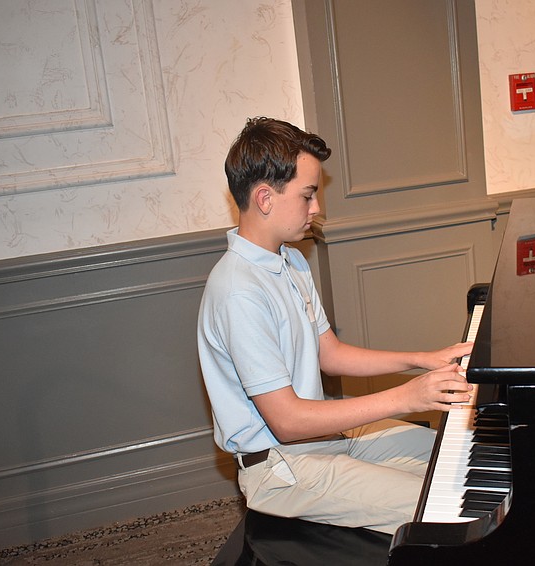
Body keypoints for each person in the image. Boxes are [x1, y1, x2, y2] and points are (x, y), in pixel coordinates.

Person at [197, 117, 473, 534]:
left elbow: (330, 354)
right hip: (279, 466)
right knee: (446, 505)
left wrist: (424, 359)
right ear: (265, 198)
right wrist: (407, 397)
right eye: (308, 195)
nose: (317, 208)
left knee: (460, 456)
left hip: (321, 437)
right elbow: (286, 421)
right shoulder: (239, 291)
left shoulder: (288, 260)